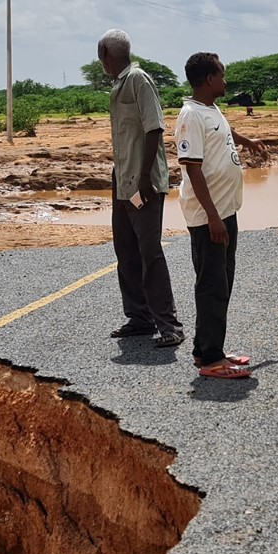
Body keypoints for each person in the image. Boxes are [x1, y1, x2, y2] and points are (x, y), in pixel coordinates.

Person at [175, 52, 263, 380]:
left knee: (221, 281)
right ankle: (212, 361)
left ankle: (205, 348)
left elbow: (224, 133)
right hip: (208, 216)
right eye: (222, 75)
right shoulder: (190, 116)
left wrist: (247, 141)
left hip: (225, 210)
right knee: (212, 285)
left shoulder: (210, 109)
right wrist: (212, 217)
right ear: (210, 79)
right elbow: (193, 169)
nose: (225, 81)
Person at [101, 29, 182, 347]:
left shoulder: (138, 79)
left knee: (150, 252)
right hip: (123, 180)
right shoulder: (119, 83)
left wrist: (147, 176)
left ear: (104, 54)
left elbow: (154, 129)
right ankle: (139, 318)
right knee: (126, 250)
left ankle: (169, 324)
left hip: (142, 182)